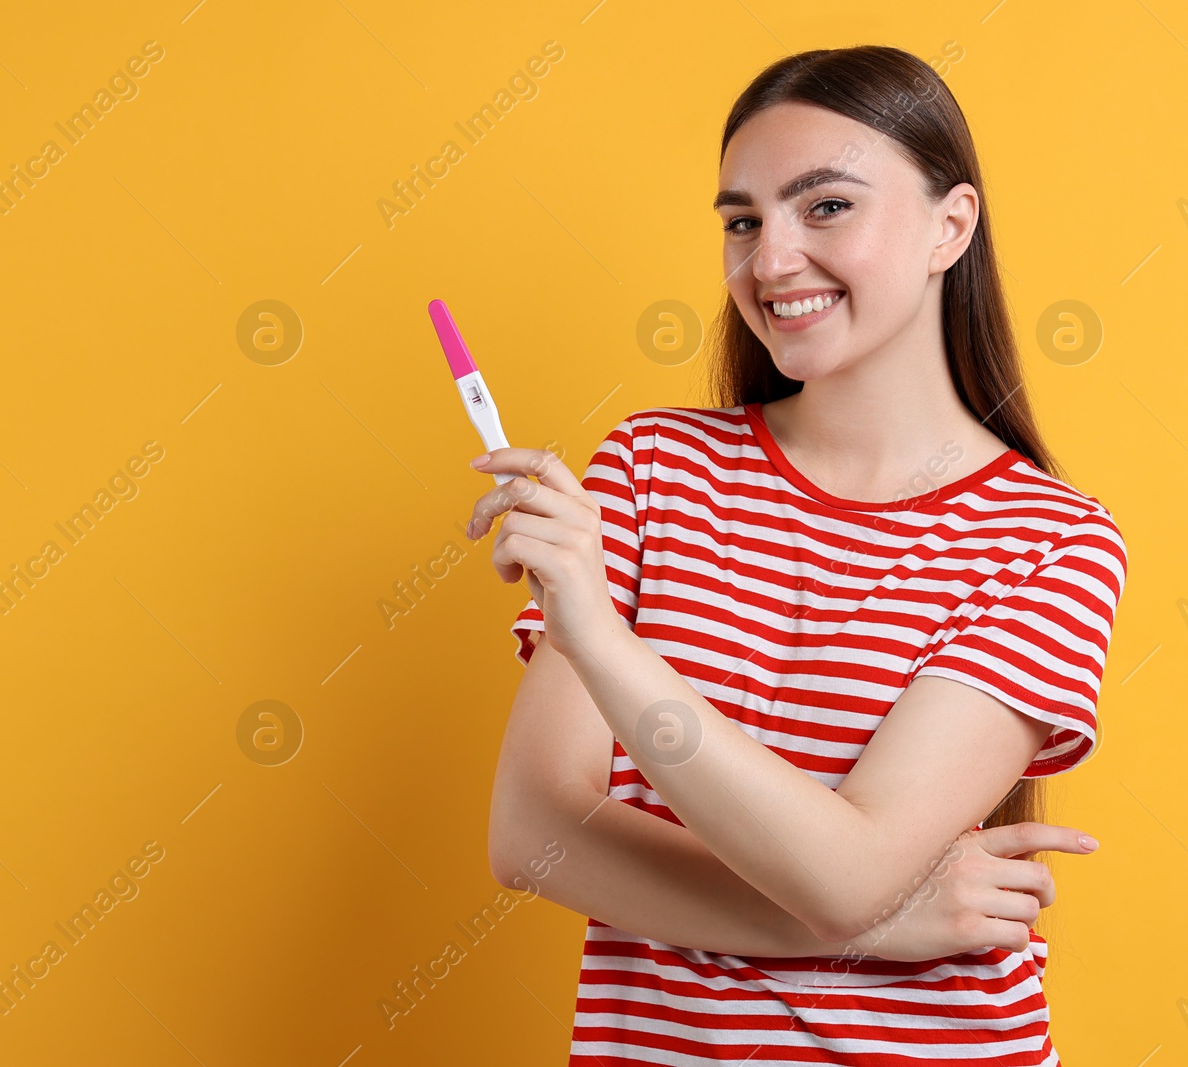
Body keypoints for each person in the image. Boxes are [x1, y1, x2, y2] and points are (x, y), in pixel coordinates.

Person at [472, 45, 1128, 1065]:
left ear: (949, 227)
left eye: (823, 206)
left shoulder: (1050, 539)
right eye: (743, 220)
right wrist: (873, 922)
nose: (768, 261)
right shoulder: (651, 466)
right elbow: (536, 835)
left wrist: (599, 637)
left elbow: (847, 867)